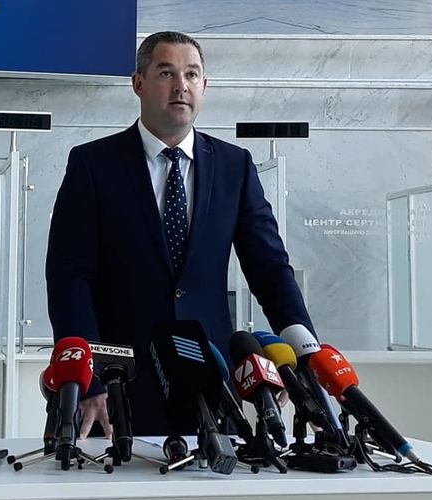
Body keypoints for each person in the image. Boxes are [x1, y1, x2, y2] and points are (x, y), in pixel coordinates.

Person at [46, 31, 313, 438]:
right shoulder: (92, 164)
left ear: (204, 85)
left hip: (213, 383)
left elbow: (270, 269)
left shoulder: (234, 166)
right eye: (166, 73)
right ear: (138, 83)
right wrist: (89, 380)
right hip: (116, 388)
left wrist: (306, 354)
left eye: (191, 74)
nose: (181, 86)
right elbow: (68, 276)